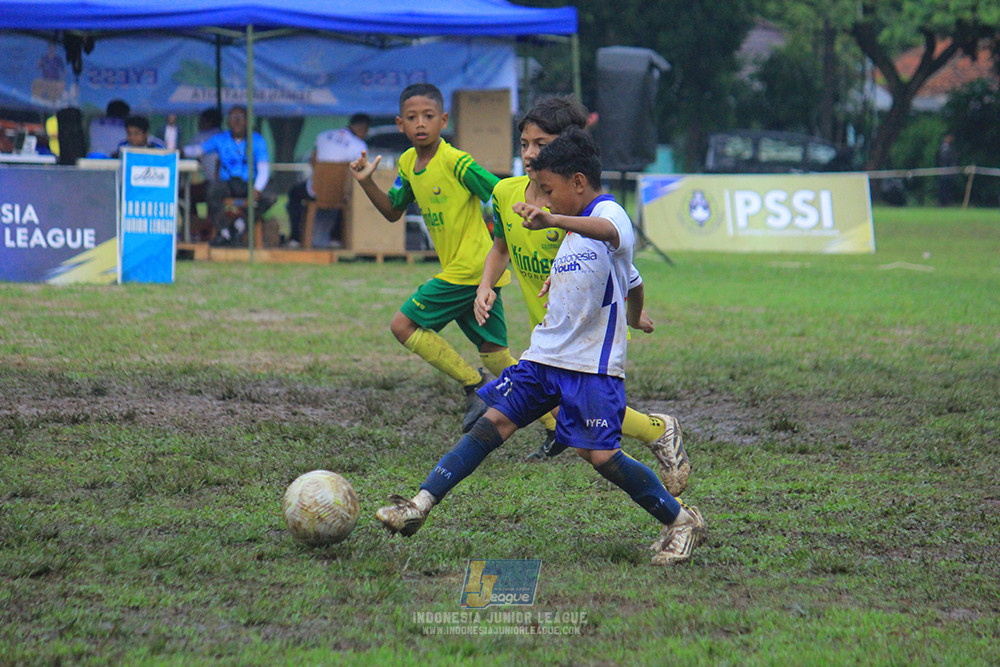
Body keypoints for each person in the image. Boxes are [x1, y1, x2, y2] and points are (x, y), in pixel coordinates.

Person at [375, 128, 707, 566]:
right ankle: (419, 505)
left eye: (550, 191)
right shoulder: (572, 231)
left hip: (590, 367)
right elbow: (633, 280)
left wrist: (554, 222)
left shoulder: (608, 212)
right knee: (491, 424)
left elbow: (612, 237)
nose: (546, 201)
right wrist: (623, 308)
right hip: (543, 358)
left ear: (578, 182)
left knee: (600, 455)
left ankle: (681, 521)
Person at [478, 96, 690, 495]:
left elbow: (627, 270)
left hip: (586, 329)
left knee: (579, 423)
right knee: (570, 418)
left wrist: (633, 314)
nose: (530, 153)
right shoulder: (506, 192)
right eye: (524, 144)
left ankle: (657, 432)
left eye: (542, 144)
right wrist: (486, 284)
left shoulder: (578, 210)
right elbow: (501, 246)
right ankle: (649, 432)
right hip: (547, 327)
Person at [350, 83, 516, 433]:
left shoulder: (455, 160)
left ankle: (475, 385)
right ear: (400, 124)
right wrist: (366, 182)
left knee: (402, 325)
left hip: (470, 269)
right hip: (465, 271)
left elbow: (499, 191)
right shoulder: (408, 163)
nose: (420, 123)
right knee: (496, 355)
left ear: (444, 120)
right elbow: (393, 211)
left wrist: (509, 237)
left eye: (428, 116)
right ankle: (555, 423)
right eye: (412, 118)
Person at [184, 106, 275, 247]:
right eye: (233, 118)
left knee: (270, 197)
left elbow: (263, 169)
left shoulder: (257, 140)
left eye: (241, 118)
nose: (237, 121)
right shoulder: (221, 139)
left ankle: (239, 224)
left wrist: (257, 188)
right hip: (227, 183)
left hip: (248, 183)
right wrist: (179, 150)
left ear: (247, 121)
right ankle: (224, 231)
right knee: (212, 190)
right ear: (227, 122)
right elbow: (198, 150)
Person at [286, 113, 372, 248]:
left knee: (294, 193)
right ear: (363, 129)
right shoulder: (360, 146)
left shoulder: (323, 136)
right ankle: (336, 238)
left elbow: (313, 161)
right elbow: (360, 172)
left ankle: (295, 238)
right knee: (349, 196)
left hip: (315, 190)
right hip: (341, 194)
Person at [936, 134, 958, 207]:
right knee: (943, 188)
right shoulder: (944, 148)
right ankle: (943, 203)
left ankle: (946, 202)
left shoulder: (950, 148)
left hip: (948, 172)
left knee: (947, 188)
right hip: (944, 171)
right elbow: (942, 159)